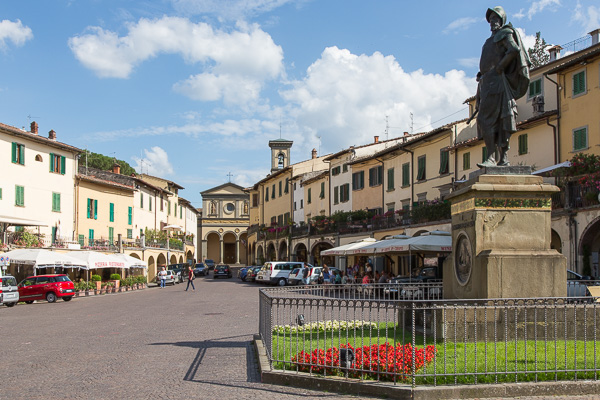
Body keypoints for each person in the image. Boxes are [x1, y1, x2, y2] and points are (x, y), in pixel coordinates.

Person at [475, 6, 530, 167]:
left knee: (493, 119)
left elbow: (513, 49)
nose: (492, 22)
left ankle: (494, 158)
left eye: (496, 19)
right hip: (487, 82)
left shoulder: (504, 34)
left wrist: (500, 67)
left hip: (497, 82)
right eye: (491, 19)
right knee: (493, 120)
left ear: (502, 20)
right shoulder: (488, 41)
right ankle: (499, 158)